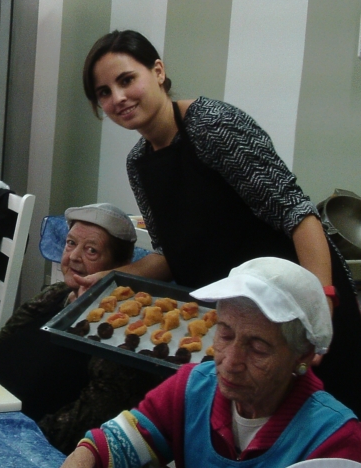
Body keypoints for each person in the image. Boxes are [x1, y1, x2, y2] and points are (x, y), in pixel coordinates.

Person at [78, 29, 361, 415]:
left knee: (324, 426)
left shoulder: (212, 125)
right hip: (240, 323)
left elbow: (299, 215)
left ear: (158, 71)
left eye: (127, 80)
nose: (118, 98)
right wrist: (109, 279)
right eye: (104, 92)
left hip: (297, 303)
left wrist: (320, 307)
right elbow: (168, 255)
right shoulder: (139, 163)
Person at [59, 257, 361, 468]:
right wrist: (85, 457)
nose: (230, 361)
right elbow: (113, 445)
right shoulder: (193, 388)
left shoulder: (333, 440)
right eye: (225, 334)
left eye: (258, 348)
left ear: (303, 354)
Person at [0, 204, 161, 453]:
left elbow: (80, 429)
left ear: (120, 266)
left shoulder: (118, 336)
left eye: (91, 250)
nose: (73, 257)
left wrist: (5, 438)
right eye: (71, 243)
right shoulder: (54, 294)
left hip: (21, 445)